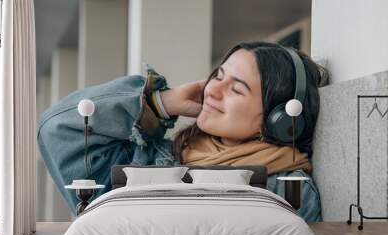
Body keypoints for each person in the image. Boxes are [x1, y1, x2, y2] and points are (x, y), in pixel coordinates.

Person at [37, 41, 328, 221]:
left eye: (236, 89)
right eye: (218, 76)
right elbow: (58, 129)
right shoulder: (152, 158)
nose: (213, 91)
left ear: (280, 120)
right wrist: (161, 102)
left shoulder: (289, 189)